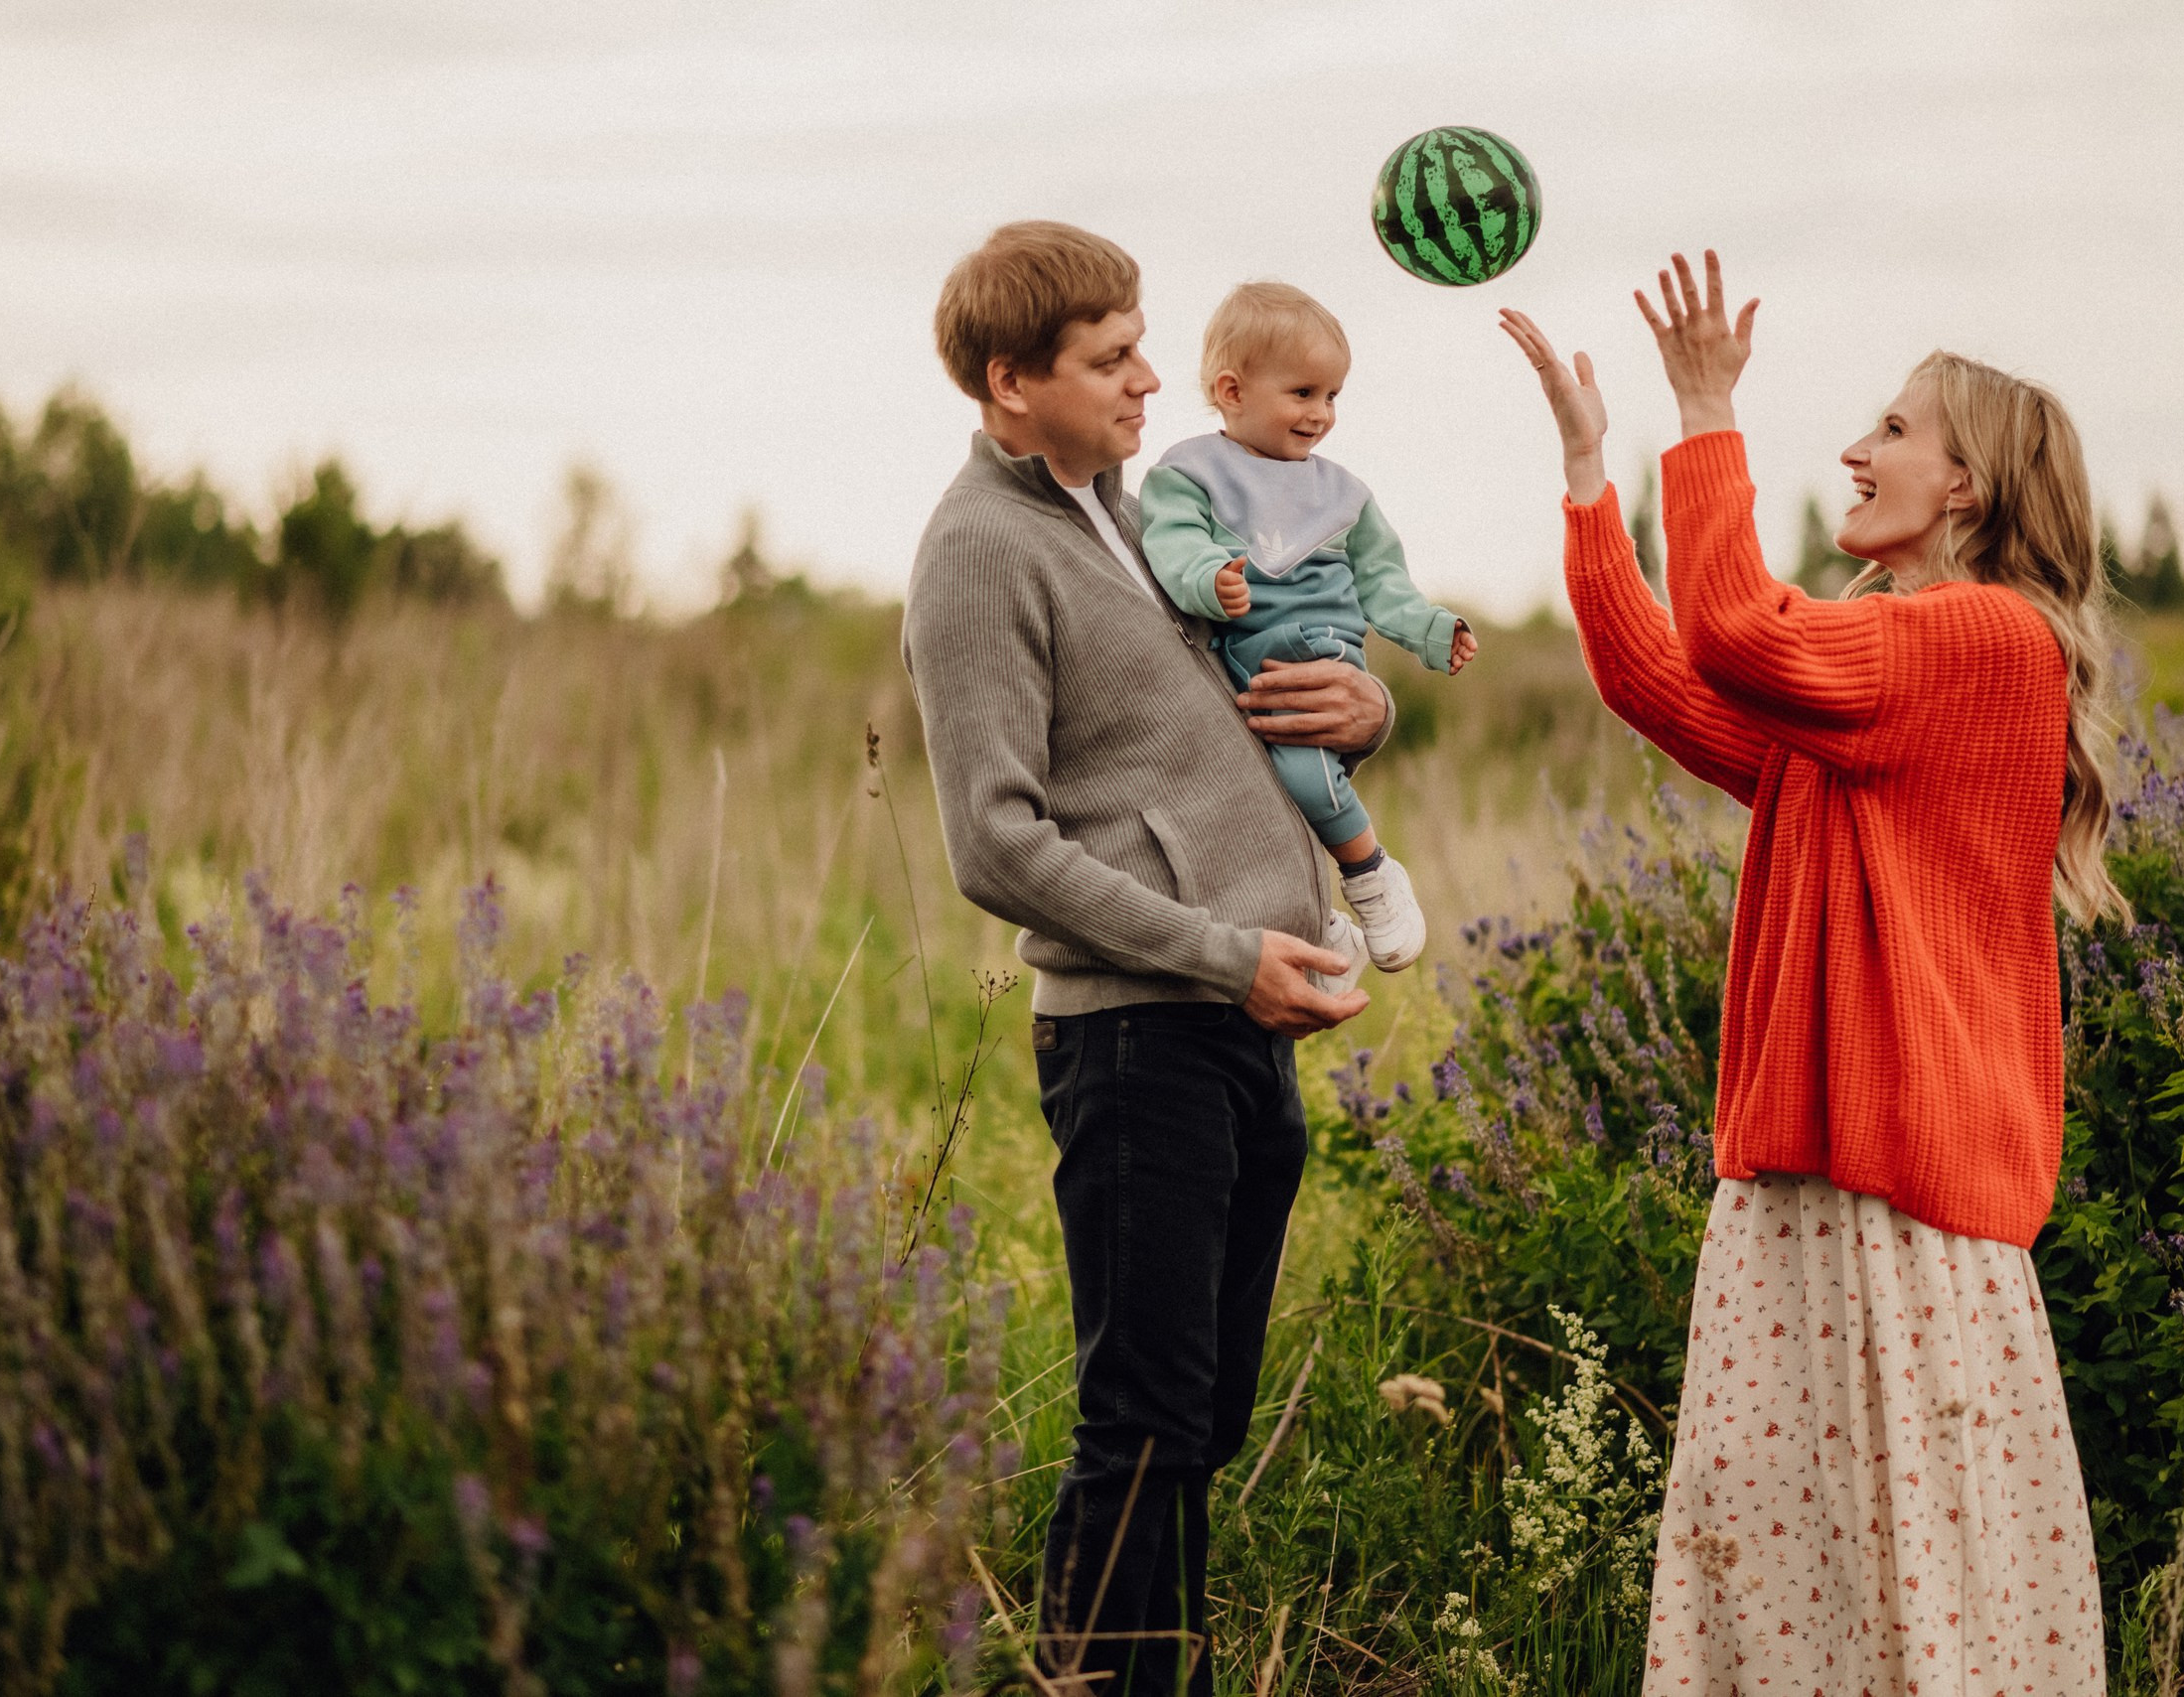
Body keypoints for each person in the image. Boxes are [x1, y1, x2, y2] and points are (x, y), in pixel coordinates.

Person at [1501, 252, 2113, 1695]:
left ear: (1969, 487)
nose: (1856, 448)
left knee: (1922, 1582)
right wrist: (1597, 476)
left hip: (1905, 1189)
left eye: (1894, 429)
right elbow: (1669, 680)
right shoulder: (1878, 677)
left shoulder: (1979, 640)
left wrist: (1705, 410)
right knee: (1806, 1585)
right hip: (1810, 1179)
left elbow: (1734, 630)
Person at [903, 220, 1385, 1697]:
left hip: (1241, 1022)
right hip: (1137, 1033)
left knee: (1203, 1419)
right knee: (1144, 1423)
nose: (1149, 377)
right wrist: (1220, 950)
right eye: (1109, 358)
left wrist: (1366, 711)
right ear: (1009, 384)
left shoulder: (1147, 510)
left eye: (1139, 343)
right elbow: (994, 844)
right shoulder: (980, 550)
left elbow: (1261, 711)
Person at [1138, 280, 1478, 973]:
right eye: (1303, 393)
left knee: (1304, 774)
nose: (1321, 414)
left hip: (1317, 658)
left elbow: (1384, 582)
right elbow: (1173, 544)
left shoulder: (1342, 494)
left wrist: (1434, 631)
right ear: (1232, 392)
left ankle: (1372, 875)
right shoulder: (1188, 474)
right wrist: (1209, 576)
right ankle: (1317, 924)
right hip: (1241, 666)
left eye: (1332, 396)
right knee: (1251, 801)